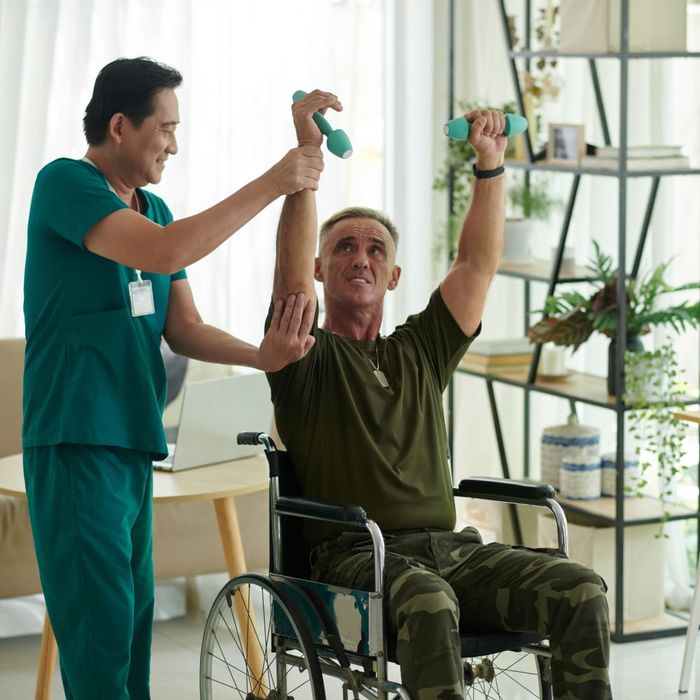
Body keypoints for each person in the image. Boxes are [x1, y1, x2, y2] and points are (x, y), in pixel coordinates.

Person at [265, 90, 612, 700]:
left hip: (452, 551)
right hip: (356, 559)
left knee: (579, 586)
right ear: (321, 269)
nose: (360, 257)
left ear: (395, 276)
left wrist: (490, 163)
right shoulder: (305, 355)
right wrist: (307, 161)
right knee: (429, 600)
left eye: (376, 248)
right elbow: (290, 280)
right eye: (343, 246)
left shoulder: (421, 348)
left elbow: (476, 264)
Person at [22, 57, 319, 699]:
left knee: (131, 635)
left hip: (131, 446)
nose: (175, 145)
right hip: (76, 444)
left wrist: (260, 355)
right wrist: (276, 179)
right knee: (100, 642)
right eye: (167, 128)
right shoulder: (65, 185)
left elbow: (183, 328)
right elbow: (168, 251)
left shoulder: (152, 205)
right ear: (121, 125)